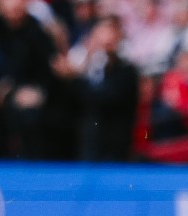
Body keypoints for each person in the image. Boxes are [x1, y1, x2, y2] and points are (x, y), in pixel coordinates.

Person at [53, 16, 141, 162]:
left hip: (111, 141)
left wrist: (74, 79)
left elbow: (104, 99)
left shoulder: (126, 69)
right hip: (80, 137)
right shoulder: (86, 63)